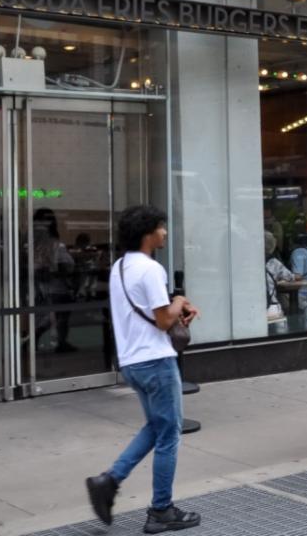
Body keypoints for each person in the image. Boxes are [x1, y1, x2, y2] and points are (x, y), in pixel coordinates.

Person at [85, 205, 200, 533]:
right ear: (148, 233)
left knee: (156, 426)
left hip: (132, 361)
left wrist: (174, 303)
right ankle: (161, 510)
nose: (165, 232)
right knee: (169, 434)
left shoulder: (120, 267)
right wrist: (179, 302)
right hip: (156, 361)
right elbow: (164, 320)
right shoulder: (151, 269)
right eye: (161, 227)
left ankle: (108, 481)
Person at [33, 208, 77, 352]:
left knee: (49, 316)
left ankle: (36, 338)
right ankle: (57, 341)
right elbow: (67, 265)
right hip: (56, 286)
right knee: (58, 316)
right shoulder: (55, 244)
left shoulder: (35, 244)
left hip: (42, 286)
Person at [265, 231, 298, 326]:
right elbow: (291, 277)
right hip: (270, 306)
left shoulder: (248, 262)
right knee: (281, 329)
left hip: (250, 308)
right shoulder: (274, 263)